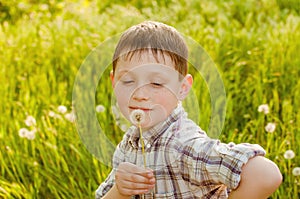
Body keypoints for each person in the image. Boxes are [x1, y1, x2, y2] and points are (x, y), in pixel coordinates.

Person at [95, 21, 282, 199]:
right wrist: (120, 191)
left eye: (157, 83)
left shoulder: (183, 146)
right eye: (128, 81)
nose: (140, 94)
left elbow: (265, 175)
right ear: (114, 82)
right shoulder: (130, 142)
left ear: (183, 88)